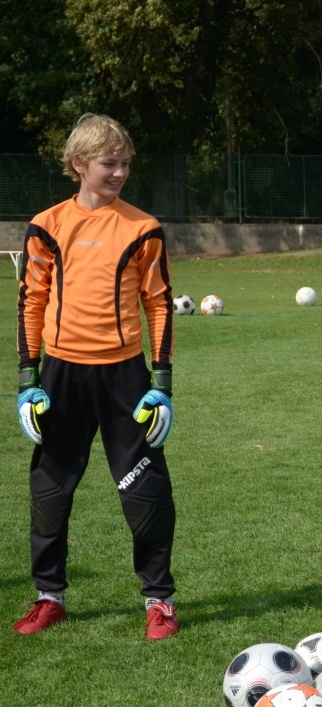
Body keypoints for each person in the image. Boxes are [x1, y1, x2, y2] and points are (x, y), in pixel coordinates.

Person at [13, 113, 178, 639]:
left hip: (125, 377)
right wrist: (27, 379)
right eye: (110, 163)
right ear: (79, 164)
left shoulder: (143, 227)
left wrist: (161, 383)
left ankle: (159, 602)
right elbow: (31, 300)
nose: (121, 172)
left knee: (146, 489)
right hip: (60, 375)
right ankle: (49, 596)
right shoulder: (47, 225)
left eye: (126, 163)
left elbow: (159, 304)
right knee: (50, 489)